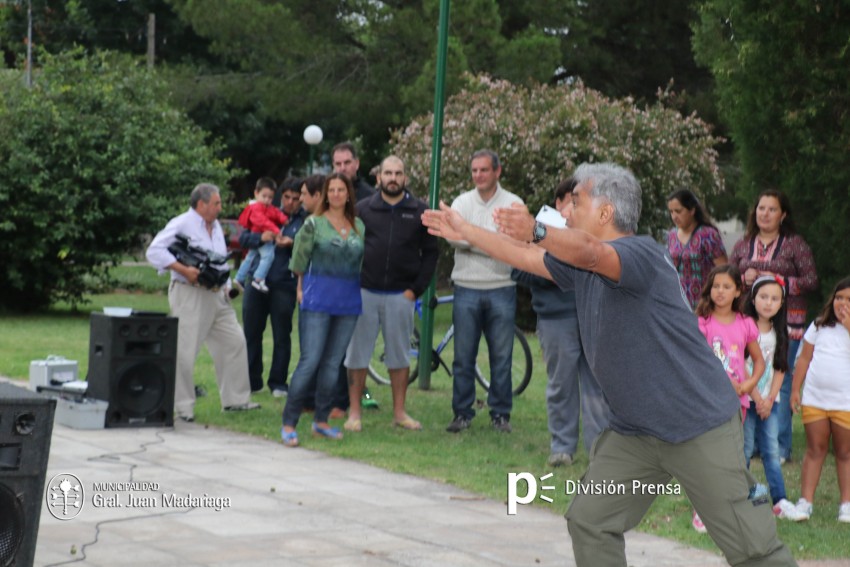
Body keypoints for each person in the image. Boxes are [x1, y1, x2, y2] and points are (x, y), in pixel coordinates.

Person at [422, 162, 796, 566]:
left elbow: (593, 251)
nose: (564, 209)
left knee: (753, 550)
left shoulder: (640, 254)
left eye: (576, 201)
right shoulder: (581, 265)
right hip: (635, 432)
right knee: (590, 520)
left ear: (604, 213)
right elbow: (526, 257)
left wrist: (537, 229)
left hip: (696, 423)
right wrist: (468, 232)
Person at [511, 178, 609, 467]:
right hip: (555, 319)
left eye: (582, 200)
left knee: (597, 385)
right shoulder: (537, 228)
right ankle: (562, 447)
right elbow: (518, 273)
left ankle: (599, 450)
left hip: (592, 316)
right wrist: (556, 273)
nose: (576, 205)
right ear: (558, 203)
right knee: (560, 383)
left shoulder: (595, 231)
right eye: (573, 199)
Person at [146, 183, 260, 422]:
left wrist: (227, 287)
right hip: (190, 293)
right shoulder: (181, 223)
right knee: (185, 350)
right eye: (216, 203)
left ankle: (236, 400)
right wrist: (182, 269)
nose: (220, 207)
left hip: (217, 295)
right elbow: (154, 251)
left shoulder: (215, 225)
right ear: (201, 204)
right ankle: (183, 408)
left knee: (235, 342)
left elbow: (219, 258)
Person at [343, 155, 438, 432]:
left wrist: (415, 289)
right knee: (357, 355)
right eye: (388, 173)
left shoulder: (420, 211)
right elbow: (349, 247)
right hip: (364, 293)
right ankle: (355, 413)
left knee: (399, 355)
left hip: (401, 295)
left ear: (405, 178)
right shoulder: (362, 209)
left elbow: (431, 254)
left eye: (398, 173)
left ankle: (399, 412)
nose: (393, 178)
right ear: (378, 178)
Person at [730, 189, 818, 463]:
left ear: (783, 215)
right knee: (750, 378)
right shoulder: (744, 244)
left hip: (786, 325)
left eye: (771, 209)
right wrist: (744, 277)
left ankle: (780, 447)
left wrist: (775, 279)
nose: (765, 214)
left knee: (779, 382)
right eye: (761, 208)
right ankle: (752, 444)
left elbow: (811, 280)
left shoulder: (795, 245)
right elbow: (729, 278)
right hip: (748, 326)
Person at [280, 173, 365, 447]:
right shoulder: (313, 224)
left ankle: (321, 420)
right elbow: (298, 260)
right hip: (317, 299)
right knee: (311, 360)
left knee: (332, 363)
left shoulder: (358, 226)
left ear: (349, 194)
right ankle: (289, 422)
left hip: (348, 301)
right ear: (326, 194)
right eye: (333, 190)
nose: (337, 194)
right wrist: (300, 289)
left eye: (342, 190)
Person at [444, 149, 523, 434]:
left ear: (497, 172)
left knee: (501, 357)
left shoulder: (513, 203)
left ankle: (500, 414)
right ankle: (461, 413)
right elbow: (453, 238)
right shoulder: (461, 202)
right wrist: (491, 242)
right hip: (466, 288)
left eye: (484, 170)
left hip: (502, 288)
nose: (478, 175)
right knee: (463, 357)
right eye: (474, 170)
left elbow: (512, 241)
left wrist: (472, 237)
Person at [693, 264, 765, 533]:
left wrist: (748, 384)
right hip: (707, 400)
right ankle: (702, 510)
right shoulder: (702, 323)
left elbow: (759, 361)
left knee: (733, 455)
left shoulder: (746, 324)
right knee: (707, 455)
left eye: (726, 287)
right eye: (716, 286)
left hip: (738, 403)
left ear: (737, 291)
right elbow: (696, 361)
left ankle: (734, 505)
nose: (720, 292)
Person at [741, 275, 802, 520]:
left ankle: (780, 500)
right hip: (748, 400)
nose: (768, 303)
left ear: (781, 303)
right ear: (753, 299)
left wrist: (770, 398)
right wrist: (756, 396)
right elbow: (741, 365)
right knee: (744, 450)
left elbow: (780, 367)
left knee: (771, 451)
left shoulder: (781, 331)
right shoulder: (745, 327)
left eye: (774, 299)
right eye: (763, 297)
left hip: (770, 403)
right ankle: (742, 496)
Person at [789, 276, 850, 523]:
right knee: (815, 450)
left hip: (845, 402)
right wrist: (795, 389)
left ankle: (846, 504)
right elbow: (804, 358)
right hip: (815, 398)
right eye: (839, 297)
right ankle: (805, 502)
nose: (843, 303)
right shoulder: (819, 325)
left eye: (849, 299)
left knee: (845, 453)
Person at [239, 176, 305, 396]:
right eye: (286, 197)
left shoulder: (305, 220)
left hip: (284, 283)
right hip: (256, 280)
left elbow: (310, 248)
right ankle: (250, 380)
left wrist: (292, 243)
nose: (290, 203)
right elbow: (243, 237)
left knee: (281, 335)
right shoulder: (264, 210)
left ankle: (278, 382)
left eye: (296, 199)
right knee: (251, 332)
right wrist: (261, 237)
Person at [332, 141, 378, 411]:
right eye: (337, 164)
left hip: (363, 280)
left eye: (346, 163)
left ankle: (362, 394)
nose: (342, 168)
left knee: (358, 343)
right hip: (334, 280)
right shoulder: (329, 194)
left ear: (356, 164)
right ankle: (337, 399)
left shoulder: (369, 197)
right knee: (335, 342)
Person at [666, 189, 727, 309]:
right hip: (678, 303)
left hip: (704, 304)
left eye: (678, 211)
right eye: (671, 212)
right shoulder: (671, 235)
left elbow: (724, 269)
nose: (674, 216)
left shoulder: (708, 234)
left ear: (692, 210)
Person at [233, 177, 289, 293]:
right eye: (264, 196)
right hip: (260, 235)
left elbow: (275, 212)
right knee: (268, 256)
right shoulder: (255, 208)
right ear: (256, 193)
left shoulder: (266, 207)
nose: (267, 200)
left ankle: (239, 277)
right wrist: (276, 231)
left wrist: (283, 219)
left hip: (260, 235)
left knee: (250, 258)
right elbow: (263, 221)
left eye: (270, 198)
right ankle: (258, 278)